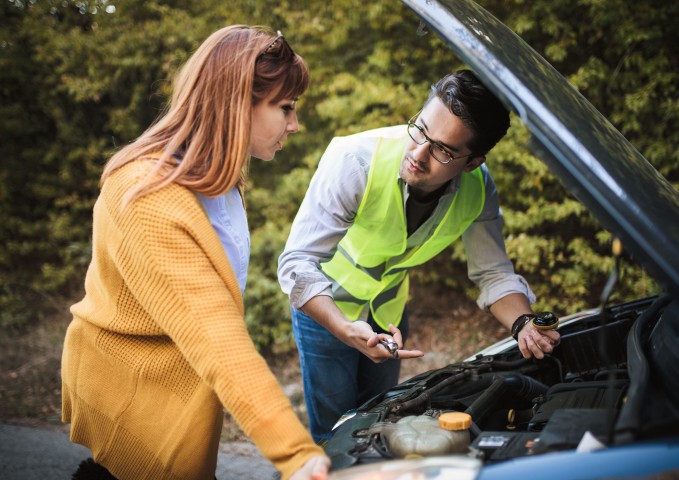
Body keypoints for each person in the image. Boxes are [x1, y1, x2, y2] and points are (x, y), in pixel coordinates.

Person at [61, 26, 329, 480]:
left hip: (182, 385)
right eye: (285, 108)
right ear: (236, 101)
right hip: (134, 391)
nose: (295, 124)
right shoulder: (147, 196)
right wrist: (296, 453)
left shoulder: (220, 182)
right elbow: (215, 332)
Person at [277, 69, 562, 442]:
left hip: (390, 315)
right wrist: (345, 329)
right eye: (420, 130)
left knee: (377, 423)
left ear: (473, 161)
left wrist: (523, 323)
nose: (418, 154)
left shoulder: (479, 188)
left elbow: (493, 274)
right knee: (334, 435)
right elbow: (297, 261)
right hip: (325, 312)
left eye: (443, 150)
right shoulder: (355, 161)